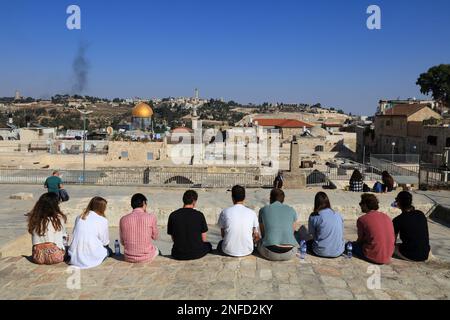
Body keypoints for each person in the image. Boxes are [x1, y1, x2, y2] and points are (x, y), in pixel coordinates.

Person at [68, 197, 112, 269]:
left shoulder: (79, 217)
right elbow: (105, 242)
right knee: (108, 250)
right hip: (91, 256)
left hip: (75, 256)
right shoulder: (103, 220)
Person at [167, 190, 212, 260]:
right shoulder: (199, 215)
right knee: (208, 245)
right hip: (197, 253)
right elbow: (204, 238)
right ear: (194, 201)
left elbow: (173, 238)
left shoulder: (173, 215)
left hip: (178, 254)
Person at [217, 185, 260, 257]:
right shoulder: (252, 213)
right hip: (247, 251)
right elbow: (256, 236)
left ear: (232, 198)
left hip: (228, 250)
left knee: (220, 244)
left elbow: (223, 234)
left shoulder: (225, 212)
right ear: (244, 197)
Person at [352, 194, 395, 264]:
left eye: (361, 203)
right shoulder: (386, 217)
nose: (360, 205)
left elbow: (360, 240)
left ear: (365, 205)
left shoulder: (362, 219)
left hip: (373, 255)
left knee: (349, 245)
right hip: (388, 255)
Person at [257, 189, 298, 261]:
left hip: (270, 253)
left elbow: (263, 234)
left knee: (259, 242)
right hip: (290, 253)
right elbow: (292, 231)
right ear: (283, 199)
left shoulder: (263, 210)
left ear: (270, 198)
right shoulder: (291, 210)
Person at [27, 193, 67, 265]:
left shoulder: (34, 218)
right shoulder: (58, 218)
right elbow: (64, 237)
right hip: (55, 255)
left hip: (38, 256)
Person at [120, 193, 159, 263]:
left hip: (128, 257)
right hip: (147, 257)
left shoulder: (123, 219)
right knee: (157, 250)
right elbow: (155, 237)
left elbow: (122, 242)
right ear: (144, 203)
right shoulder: (151, 217)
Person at [392, 191, 430, 262]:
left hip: (412, 255)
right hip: (425, 254)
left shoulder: (398, 219)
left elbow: (392, 242)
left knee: (392, 247)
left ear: (399, 203)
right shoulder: (420, 214)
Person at [306, 192, 345, 258]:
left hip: (321, 251)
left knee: (307, 243)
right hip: (338, 251)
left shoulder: (314, 216)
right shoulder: (338, 214)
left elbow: (311, 233)